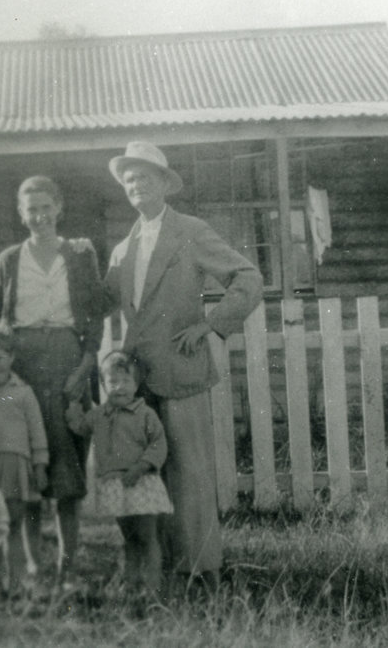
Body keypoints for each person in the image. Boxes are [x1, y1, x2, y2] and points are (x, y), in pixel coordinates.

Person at [102, 141, 263, 587]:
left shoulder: (190, 230)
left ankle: (202, 570)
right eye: (130, 178)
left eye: (145, 176)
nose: (137, 184)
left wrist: (212, 325)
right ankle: (158, 572)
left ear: (164, 184)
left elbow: (248, 277)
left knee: (189, 474)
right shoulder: (122, 249)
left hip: (181, 367)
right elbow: (105, 302)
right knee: (144, 477)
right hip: (137, 380)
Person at [0, 175, 107, 588]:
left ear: (59, 208)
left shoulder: (78, 255)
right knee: (26, 471)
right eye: (31, 209)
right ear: (22, 215)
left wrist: (85, 367)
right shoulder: (8, 260)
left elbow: (93, 316)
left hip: (67, 362)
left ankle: (67, 567)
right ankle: (35, 568)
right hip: (22, 367)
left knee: (67, 473)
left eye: (45, 207)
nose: (39, 216)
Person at [65, 350, 172, 596]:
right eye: (113, 382)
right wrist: (72, 409)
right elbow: (81, 427)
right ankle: (131, 582)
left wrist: (141, 466)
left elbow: (159, 444)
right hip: (115, 484)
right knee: (129, 537)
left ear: (136, 384)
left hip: (142, 481)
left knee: (147, 536)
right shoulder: (100, 414)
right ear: (103, 385)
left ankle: (154, 585)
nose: (120, 387)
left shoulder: (145, 414)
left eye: (126, 381)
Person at [0, 326, 50, 598]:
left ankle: (17, 583)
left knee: (14, 525)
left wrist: (40, 466)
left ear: (11, 358)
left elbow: (37, 432)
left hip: (16, 466)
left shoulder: (23, 392)